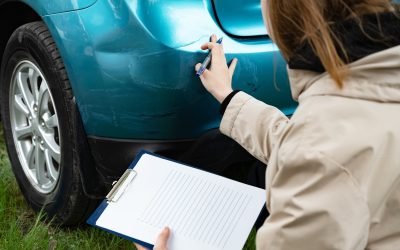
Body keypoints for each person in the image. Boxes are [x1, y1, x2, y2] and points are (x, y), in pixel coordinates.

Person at [137, 0, 400, 249]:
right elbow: (314, 147)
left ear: (284, 16)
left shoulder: (322, 150)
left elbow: (318, 154)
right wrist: (228, 97)